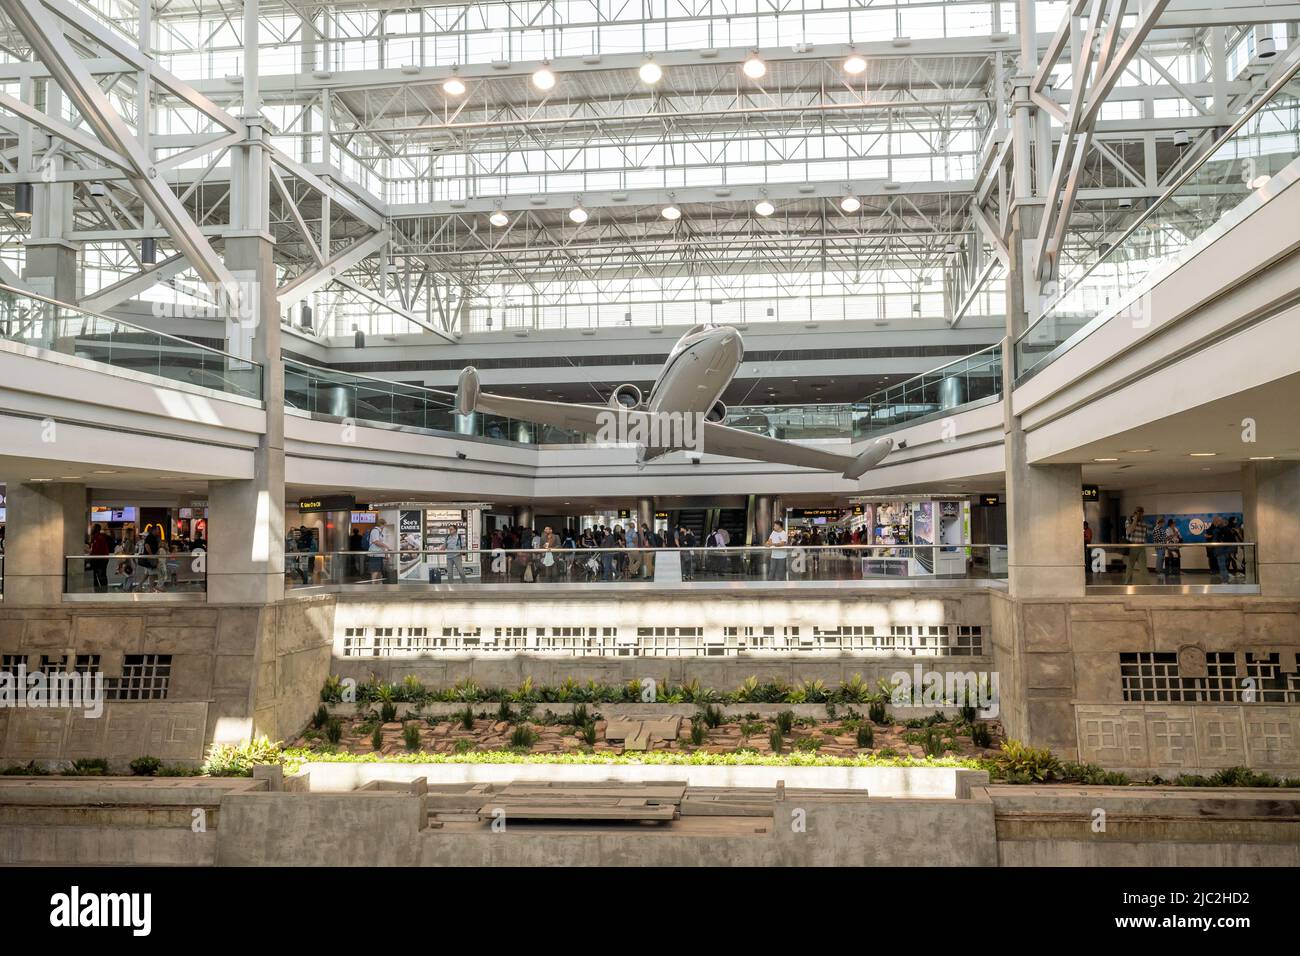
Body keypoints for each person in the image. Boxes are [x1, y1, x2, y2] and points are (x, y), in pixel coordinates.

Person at [1123, 508, 1147, 585]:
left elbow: (1144, 535)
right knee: (1130, 565)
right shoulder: (1129, 521)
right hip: (1133, 545)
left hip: (1141, 546)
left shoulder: (1143, 523)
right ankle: (1127, 582)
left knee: (1143, 566)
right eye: (1138, 513)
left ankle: (1145, 583)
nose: (1140, 515)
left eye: (1141, 513)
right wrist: (1135, 520)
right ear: (1135, 513)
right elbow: (1129, 531)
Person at [88, 523, 112, 593]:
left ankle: (101, 590)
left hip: (100, 560)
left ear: (95, 529)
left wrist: (91, 555)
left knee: (101, 575)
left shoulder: (99, 538)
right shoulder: (98, 538)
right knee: (101, 575)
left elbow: (97, 551)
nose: (91, 529)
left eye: (92, 527)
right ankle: (101, 590)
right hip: (101, 560)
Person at [367, 517, 392, 583]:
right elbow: (376, 542)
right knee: (375, 570)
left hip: (378, 554)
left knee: (378, 570)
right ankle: (373, 584)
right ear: (381, 524)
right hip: (375, 554)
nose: (384, 527)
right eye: (384, 525)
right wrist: (387, 547)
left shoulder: (378, 531)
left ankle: (377, 584)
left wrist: (385, 552)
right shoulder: (375, 531)